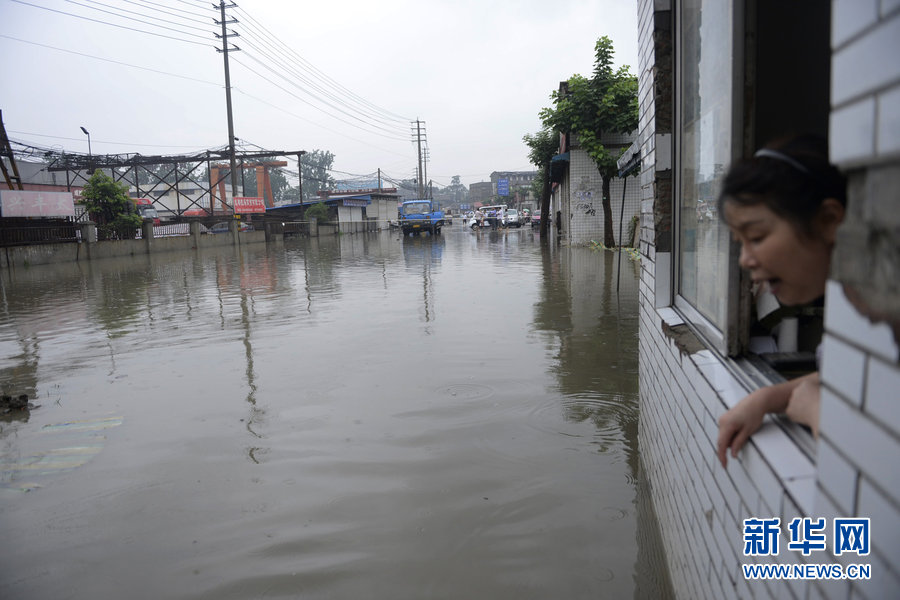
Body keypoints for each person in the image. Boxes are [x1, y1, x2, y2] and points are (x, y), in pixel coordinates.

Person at [716, 134, 846, 468]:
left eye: (756, 237)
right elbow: (843, 380)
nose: (745, 259)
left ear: (828, 221)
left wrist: (819, 416)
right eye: (740, 243)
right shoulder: (856, 318)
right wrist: (768, 397)